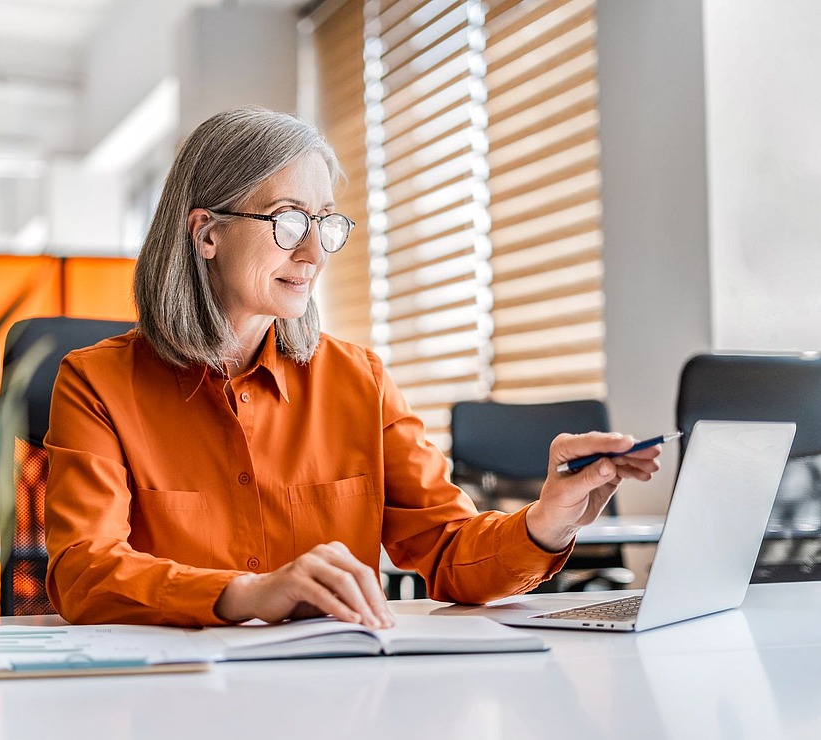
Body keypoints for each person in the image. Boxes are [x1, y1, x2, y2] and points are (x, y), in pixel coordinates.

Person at [43, 107, 661, 629]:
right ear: (207, 234)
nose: (312, 253)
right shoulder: (96, 383)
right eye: (287, 221)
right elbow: (82, 569)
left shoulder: (358, 381)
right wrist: (244, 594)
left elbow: (448, 552)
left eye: (323, 224)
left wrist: (546, 521)